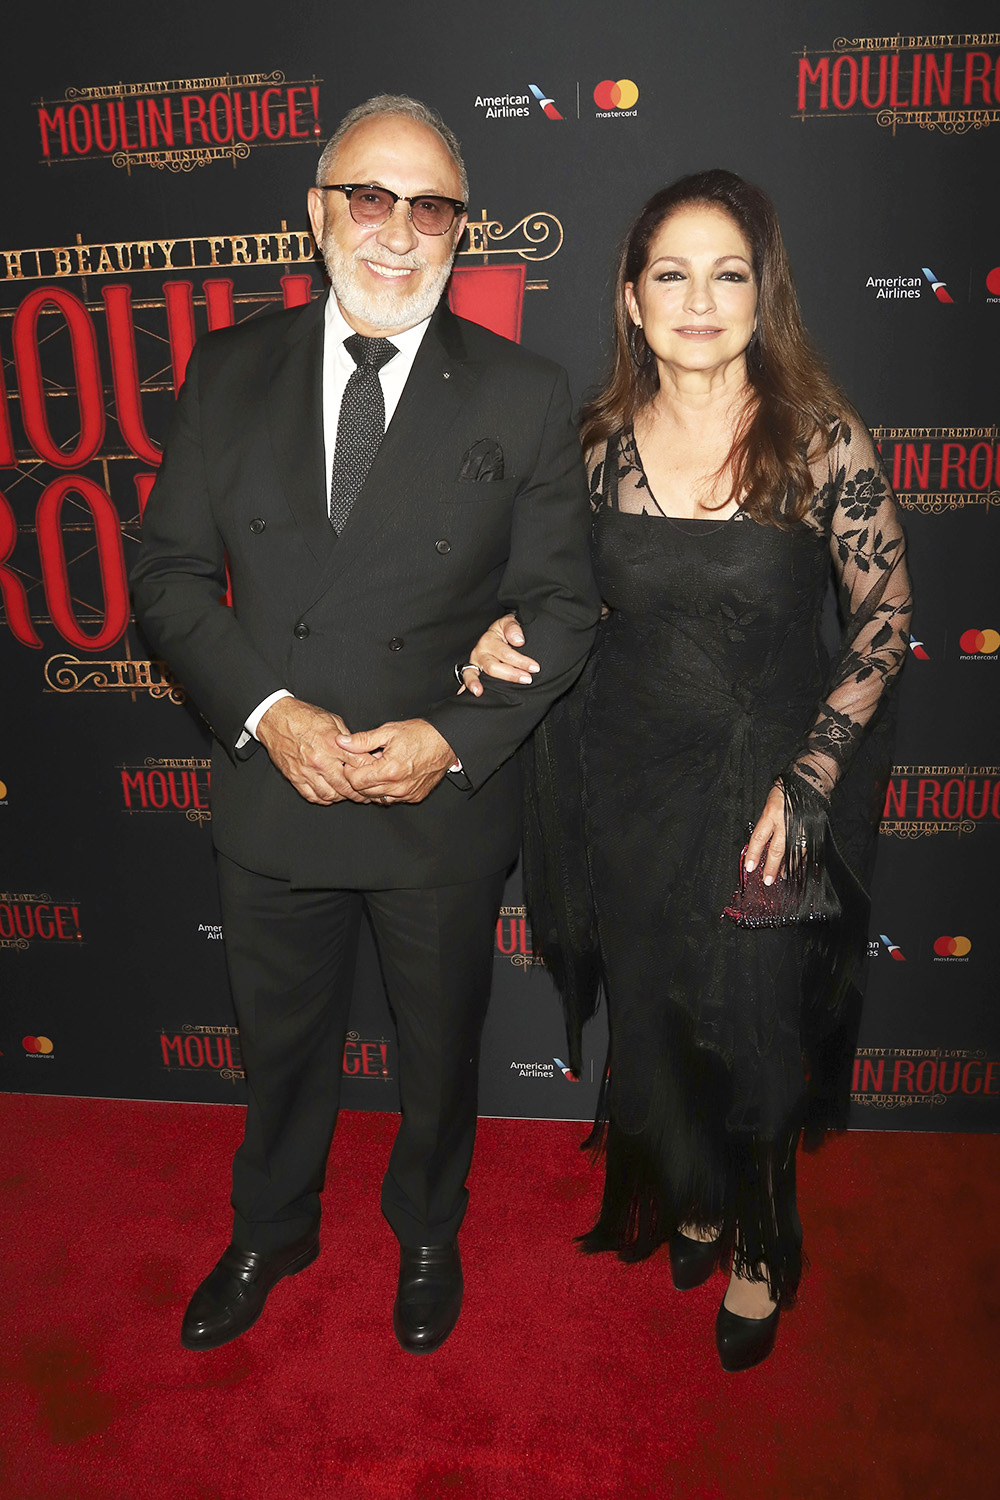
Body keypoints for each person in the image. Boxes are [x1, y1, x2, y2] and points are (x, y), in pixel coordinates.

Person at [131, 94, 599, 1356]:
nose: (397, 232)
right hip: (277, 784)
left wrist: (451, 736)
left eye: (430, 207)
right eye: (369, 197)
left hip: (433, 803)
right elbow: (168, 577)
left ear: (462, 233)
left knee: (438, 1056)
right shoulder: (230, 369)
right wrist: (271, 713)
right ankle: (272, 1224)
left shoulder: (523, 389)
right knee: (277, 1048)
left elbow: (562, 602)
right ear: (317, 211)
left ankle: (428, 1231)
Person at [463, 169, 911, 1371]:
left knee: (758, 1022)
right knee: (659, 1013)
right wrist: (504, 635)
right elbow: (557, 606)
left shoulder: (819, 439)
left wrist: (810, 776)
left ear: (763, 296)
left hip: (772, 788)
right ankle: (696, 1189)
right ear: (629, 297)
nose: (699, 300)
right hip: (629, 780)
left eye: (728, 274)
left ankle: (763, 1244)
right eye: (672, 273)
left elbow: (882, 620)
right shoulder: (595, 448)